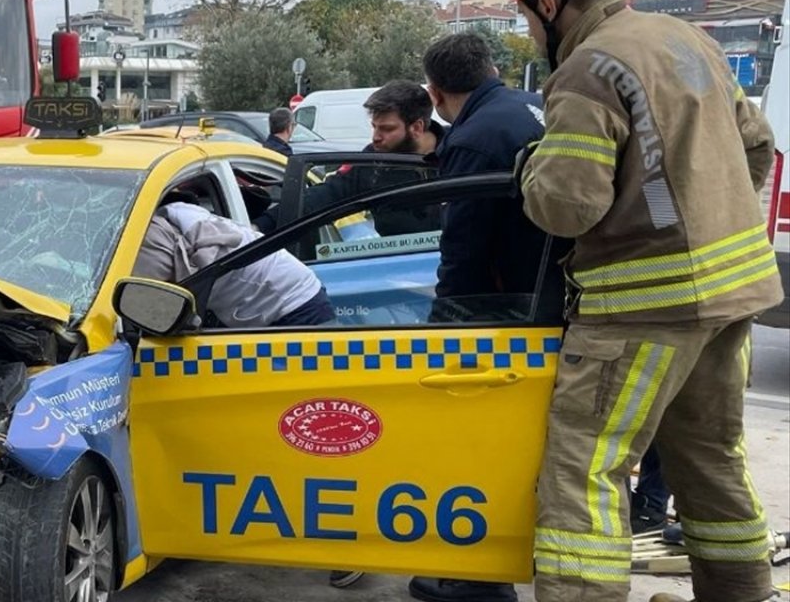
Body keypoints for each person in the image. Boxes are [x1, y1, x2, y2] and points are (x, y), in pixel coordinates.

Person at [509, 0, 782, 601]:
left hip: (642, 308)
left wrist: (531, 170)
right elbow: (758, 146)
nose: (527, 33)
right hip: (732, 295)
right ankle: (742, 590)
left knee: (585, 468)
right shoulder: (689, 40)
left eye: (524, 18)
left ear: (548, 5)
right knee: (710, 456)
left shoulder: (587, 68)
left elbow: (565, 207)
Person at [400, 33, 570, 602]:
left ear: (435, 92)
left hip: (502, 317)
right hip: (551, 300)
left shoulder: (474, 138)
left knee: (479, 446)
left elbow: (464, 249)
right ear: (493, 68)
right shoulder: (531, 108)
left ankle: (481, 579)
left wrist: (442, 327)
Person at [252, 80, 444, 237]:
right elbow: (324, 195)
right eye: (374, 126)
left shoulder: (460, 154)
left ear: (417, 127)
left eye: (387, 129)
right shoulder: (370, 163)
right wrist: (261, 226)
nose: (376, 136)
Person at [133, 192, 335, 328]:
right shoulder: (181, 212)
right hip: (293, 296)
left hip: (294, 307)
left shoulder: (150, 235)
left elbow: (155, 300)